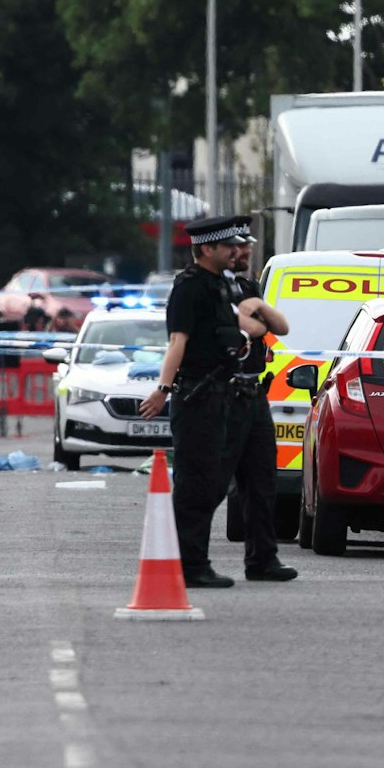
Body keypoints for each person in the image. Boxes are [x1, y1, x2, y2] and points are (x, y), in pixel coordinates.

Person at [138, 214, 264, 589]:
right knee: (196, 484)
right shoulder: (190, 287)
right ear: (207, 249)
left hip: (219, 396)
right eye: (228, 247)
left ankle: (193, 562)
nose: (235, 252)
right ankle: (190, 566)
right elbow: (178, 341)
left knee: (209, 481)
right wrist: (162, 390)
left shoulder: (220, 286)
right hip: (197, 395)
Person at [224, 232, 299, 582]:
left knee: (261, 480)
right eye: (239, 247)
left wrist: (260, 304)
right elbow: (251, 329)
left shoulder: (249, 285)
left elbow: (278, 328)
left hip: (253, 393)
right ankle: (188, 559)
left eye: (246, 247)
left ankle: (262, 559)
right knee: (209, 482)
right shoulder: (208, 287)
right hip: (220, 395)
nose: (245, 252)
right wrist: (249, 315)